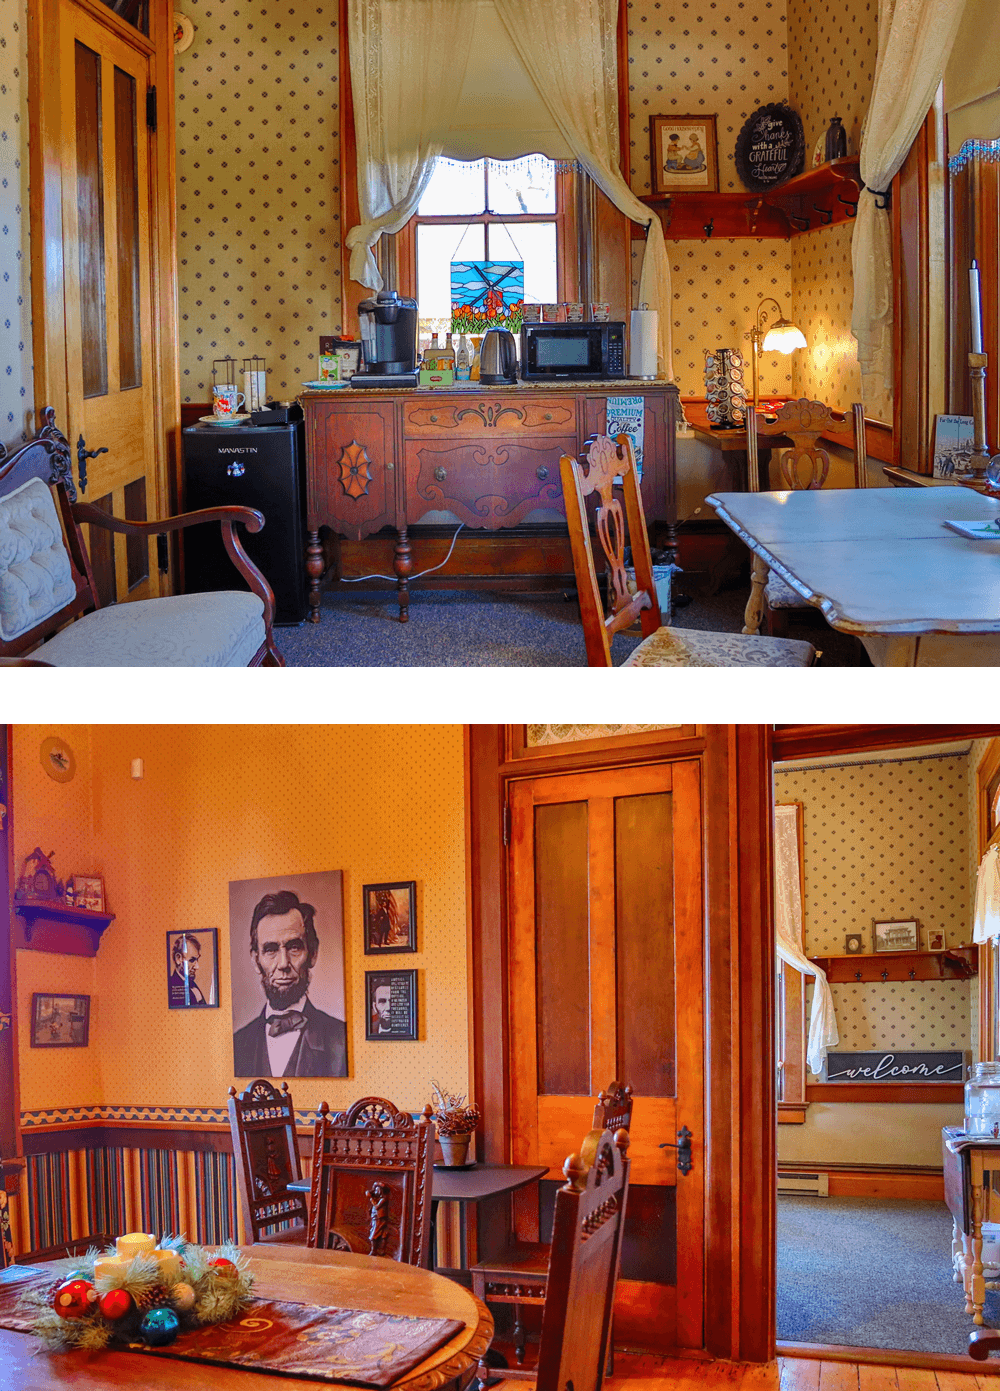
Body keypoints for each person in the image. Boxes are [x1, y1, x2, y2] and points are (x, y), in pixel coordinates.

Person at [232, 889, 347, 1077]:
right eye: (271, 950)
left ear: (313, 953)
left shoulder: (341, 1040)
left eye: (294, 947)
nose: (284, 964)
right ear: (255, 960)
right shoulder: (238, 1044)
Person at [169, 932, 208, 1006]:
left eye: (197, 959)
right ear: (178, 958)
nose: (197, 967)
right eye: (192, 960)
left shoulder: (192, 984)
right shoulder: (171, 987)